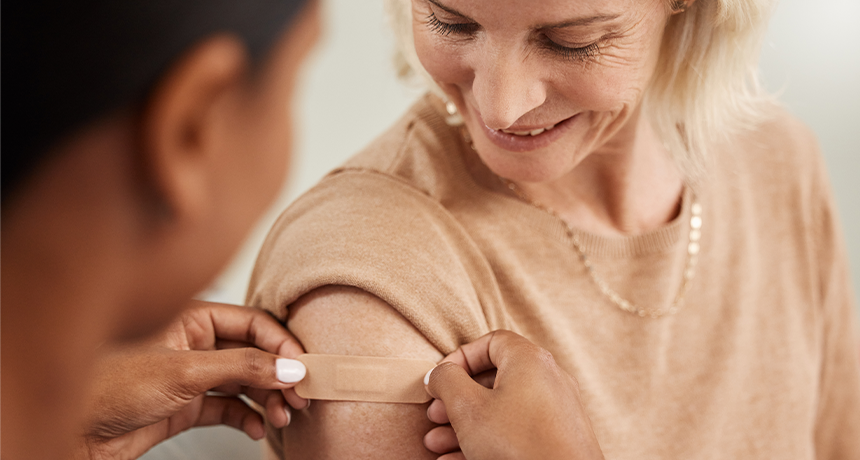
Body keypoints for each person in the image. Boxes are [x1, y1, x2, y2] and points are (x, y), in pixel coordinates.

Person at [246, 0, 860, 459]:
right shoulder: (368, 272)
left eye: (572, 41)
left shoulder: (777, 163)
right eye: (453, 23)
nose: (501, 106)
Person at [1, 1, 605, 459]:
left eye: (572, 39)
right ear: (191, 127)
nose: (500, 109)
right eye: (296, 80)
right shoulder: (363, 251)